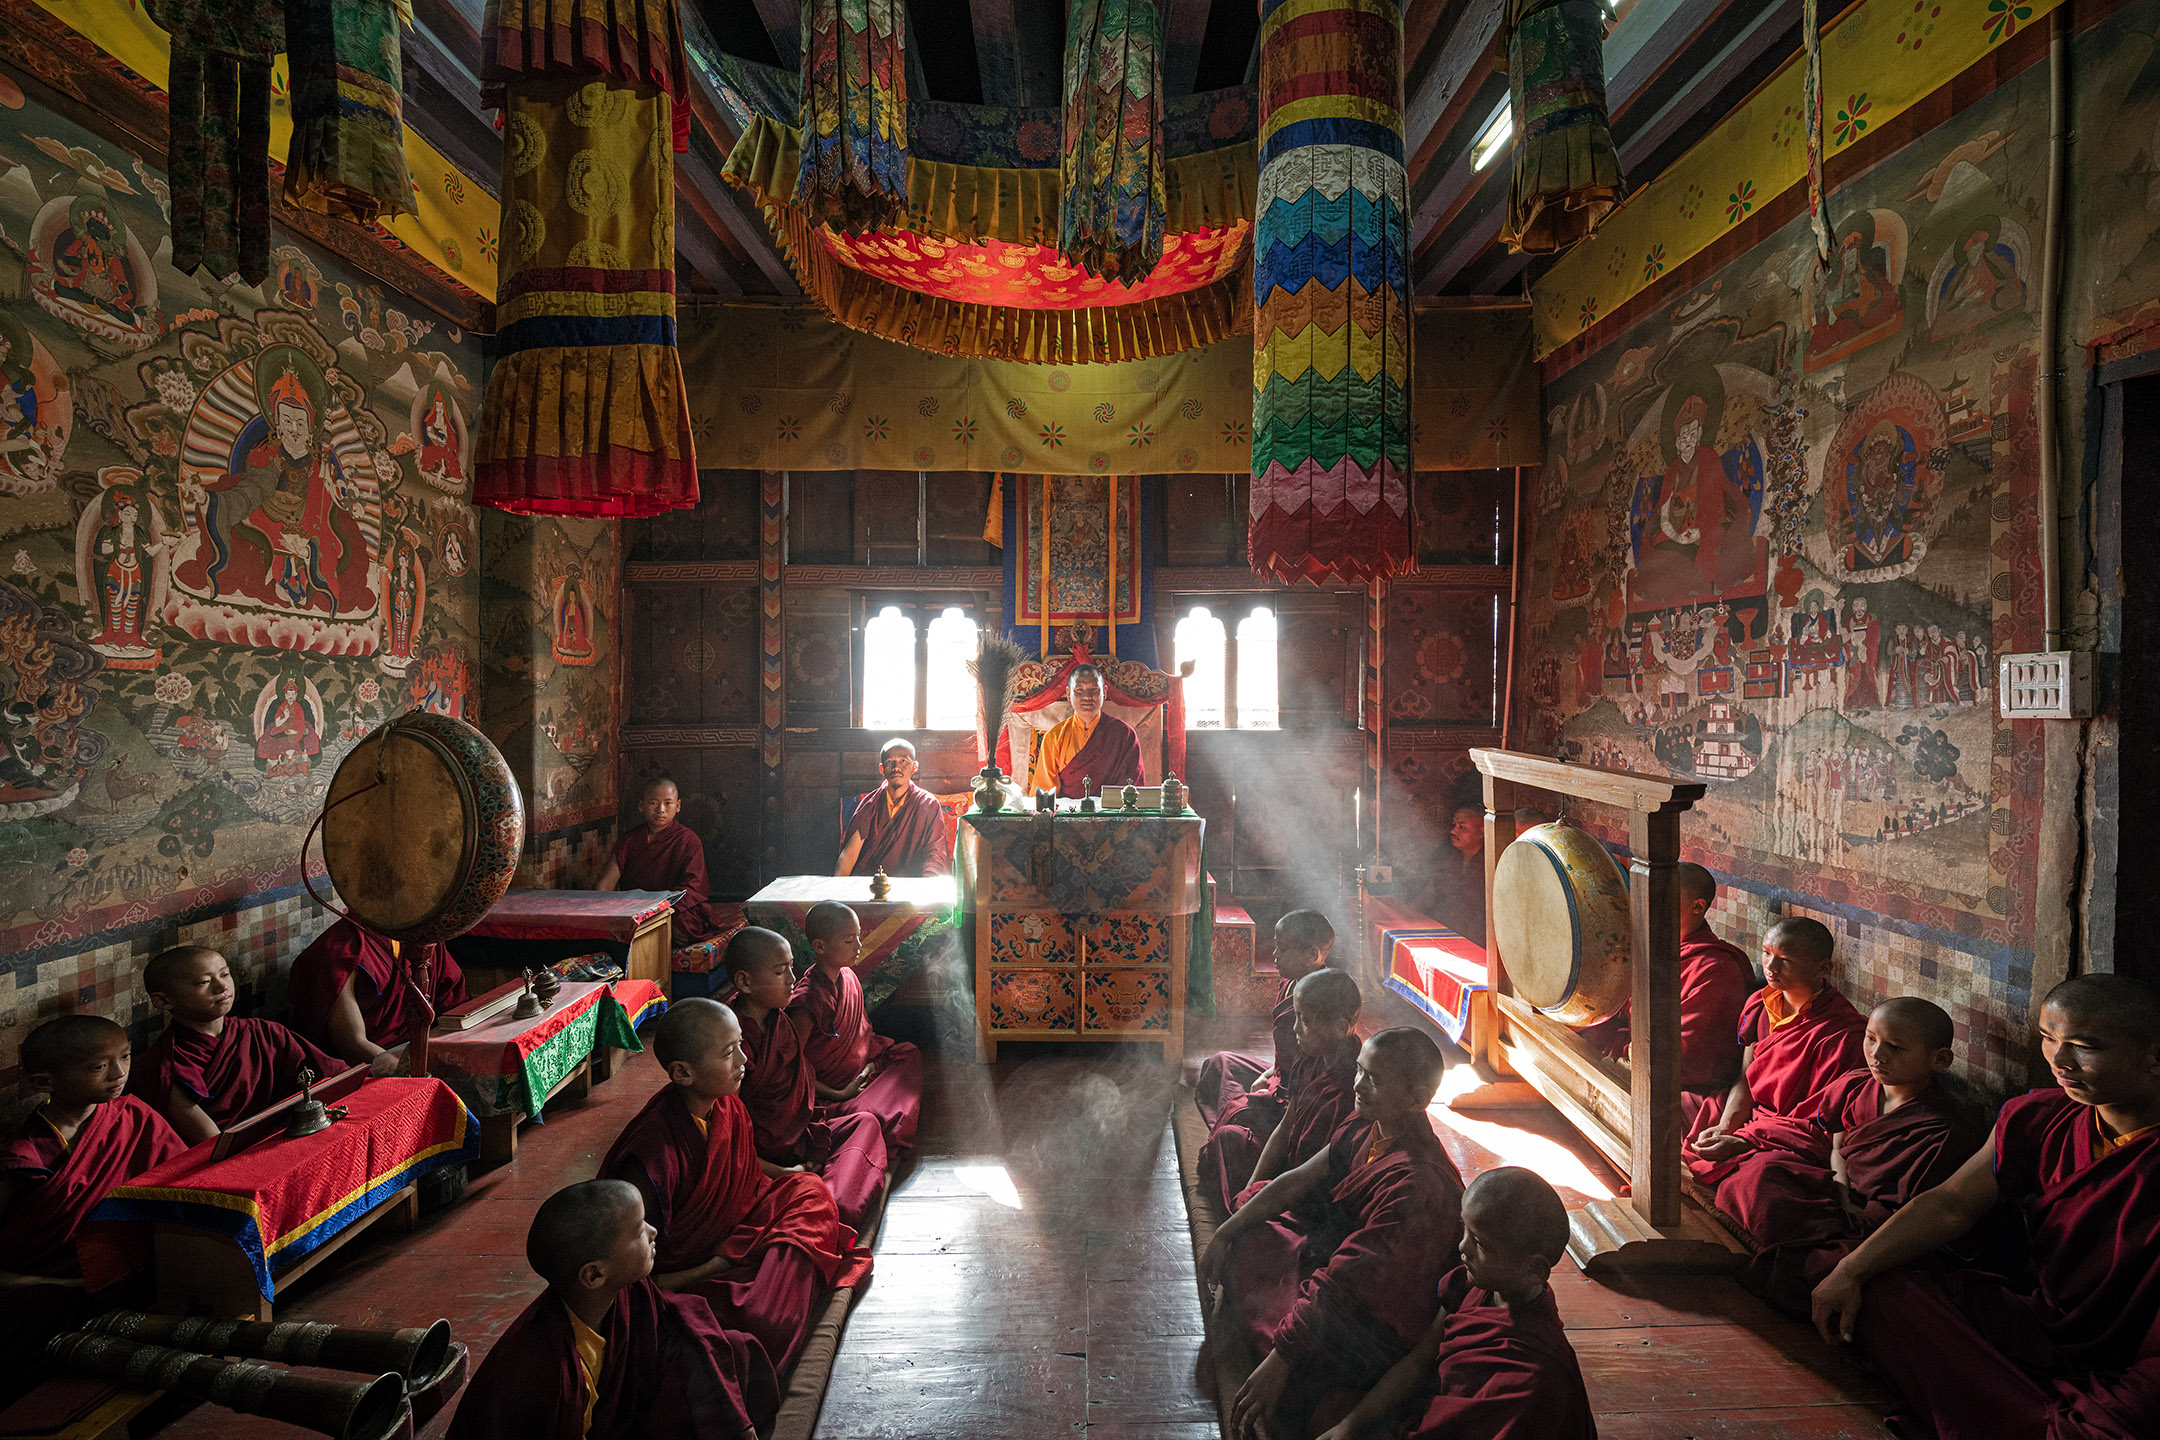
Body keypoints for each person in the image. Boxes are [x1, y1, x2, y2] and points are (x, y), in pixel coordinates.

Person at [1812, 974, 2160, 1440]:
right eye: (2048, 1039)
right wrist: (1851, 1272)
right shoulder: (2037, 1115)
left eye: (2085, 1046)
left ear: (2155, 1056)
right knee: (1880, 1289)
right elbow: (1953, 1202)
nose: (2059, 1061)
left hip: (2135, 1351)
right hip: (2037, 1322)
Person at [1200, 1028, 1465, 1440]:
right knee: (1248, 1230)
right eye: (1360, 1072)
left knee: (1297, 1382)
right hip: (1333, 1265)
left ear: (1416, 1099)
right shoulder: (1365, 1125)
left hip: (1372, 1318)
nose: (1357, 1086)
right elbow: (1299, 1179)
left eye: (1373, 1079)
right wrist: (1225, 1232)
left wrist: (1283, 1358)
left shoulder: (1417, 1184)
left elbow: (1351, 1284)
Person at [600, 999, 870, 1372]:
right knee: (763, 1320)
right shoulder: (651, 1153)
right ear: (682, 1072)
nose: (745, 1060)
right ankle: (734, 1278)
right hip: (685, 1267)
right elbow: (630, 1264)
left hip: (736, 1225)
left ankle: (742, 1268)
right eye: (730, 1053)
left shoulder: (726, 1105)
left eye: (742, 1045)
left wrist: (788, 1175)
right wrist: (709, 1267)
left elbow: (745, 1173)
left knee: (810, 1190)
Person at [1715, 996, 1984, 1317]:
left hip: (1882, 1224)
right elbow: (1837, 1140)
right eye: (1871, 1039)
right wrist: (1841, 1187)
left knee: (1840, 1268)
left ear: (1939, 1059)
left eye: (1894, 1048)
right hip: (1838, 1195)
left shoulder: (1943, 1126)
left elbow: (1923, 1209)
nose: (1877, 1055)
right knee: (1759, 1175)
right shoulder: (1857, 1084)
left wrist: (1852, 1212)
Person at [446, 1179, 774, 1440]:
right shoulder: (542, 1370)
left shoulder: (629, 1291)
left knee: (731, 1349)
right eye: (638, 1231)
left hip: (614, 1422)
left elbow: (681, 1325)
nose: (653, 1232)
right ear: (594, 1274)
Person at [1315, 1168, 1596, 1440]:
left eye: (1481, 1244)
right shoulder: (1466, 1286)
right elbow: (1418, 1361)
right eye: (1465, 1230)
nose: (1462, 1247)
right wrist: (1350, 1425)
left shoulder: (1533, 1378)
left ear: (1535, 1269)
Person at [0, 1014, 185, 1398]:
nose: (119, 1073)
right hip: (48, 1289)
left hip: (127, 1269)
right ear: (43, 1083)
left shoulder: (134, 1115)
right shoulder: (22, 1158)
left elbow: (182, 1185)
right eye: (99, 1066)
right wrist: (53, 1283)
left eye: (125, 1057)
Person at [723, 928, 888, 1228]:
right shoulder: (729, 1045)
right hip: (759, 1156)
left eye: (791, 968)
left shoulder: (779, 1020)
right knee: (827, 1200)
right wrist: (784, 1173)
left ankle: (826, 1200)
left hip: (797, 1137)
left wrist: (838, 1097)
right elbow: (728, 1140)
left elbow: (800, 1080)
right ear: (744, 982)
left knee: (867, 1122)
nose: (792, 980)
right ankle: (825, 1203)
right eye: (779, 972)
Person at [1684, 917, 1866, 1187]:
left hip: (1790, 1132)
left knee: (1759, 1179)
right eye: (1767, 953)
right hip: (1752, 1112)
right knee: (1671, 1110)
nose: (1770, 967)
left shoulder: (1843, 1034)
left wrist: (1746, 1140)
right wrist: (1726, 1126)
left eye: (1786, 960)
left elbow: (1822, 1123)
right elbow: (1745, 1079)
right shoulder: (1760, 1003)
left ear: (1823, 968)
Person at [1579, 863, 1754, 1114]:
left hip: (1677, 1078)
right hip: (1631, 1047)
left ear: (1698, 907)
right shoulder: (1651, 944)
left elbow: (1683, 1052)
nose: (1651, 909)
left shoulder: (1716, 969)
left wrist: (1625, 1055)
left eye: (1663, 901)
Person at [127, 945, 345, 1144]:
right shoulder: (165, 1065)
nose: (222, 987)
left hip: (293, 1136)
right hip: (235, 1158)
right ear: (164, 1001)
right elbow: (212, 1144)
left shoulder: (264, 1032)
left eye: (225, 974)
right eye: (204, 982)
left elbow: (336, 1077)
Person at [1195, 911, 1337, 1217]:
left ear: (1312, 954)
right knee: (1220, 1063)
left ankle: (1245, 1200)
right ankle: (1240, 1113)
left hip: (1290, 1105)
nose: (1274, 955)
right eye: (1275, 945)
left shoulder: (1323, 1001)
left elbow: (1304, 1093)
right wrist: (1270, 1073)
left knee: (1230, 1134)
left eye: (1283, 949)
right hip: (1281, 1080)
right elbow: (1287, 1059)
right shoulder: (1291, 985)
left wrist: (1269, 1087)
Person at [1218, 967, 1363, 1214]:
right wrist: (1251, 1187)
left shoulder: (1356, 1087)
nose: (1295, 1028)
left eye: (1304, 1020)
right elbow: (1286, 1127)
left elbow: (1323, 1175)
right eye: (1295, 1016)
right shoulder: (1309, 1059)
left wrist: (1258, 1198)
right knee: (1229, 1141)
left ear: (1340, 1028)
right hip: (1291, 1166)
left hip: (1316, 1190)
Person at [791, 902, 923, 1156]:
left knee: (908, 1053)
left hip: (861, 1075)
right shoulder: (807, 1000)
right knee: (867, 1117)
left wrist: (870, 1064)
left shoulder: (848, 976)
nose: (859, 946)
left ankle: (870, 1121)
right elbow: (793, 1068)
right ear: (820, 947)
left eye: (858, 936)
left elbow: (863, 1034)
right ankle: (866, 1121)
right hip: (829, 1091)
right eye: (849, 940)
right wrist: (840, 1093)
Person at [288, 918, 467, 1068]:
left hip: (423, 1056)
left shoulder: (423, 935)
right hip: (369, 1071)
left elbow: (453, 1011)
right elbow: (352, 1044)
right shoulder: (341, 950)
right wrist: (408, 1075)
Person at [599, 778, 725, 945]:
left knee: (683, 925)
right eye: (653, 803)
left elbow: (692, 888)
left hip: (672, 909)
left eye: (668, 803)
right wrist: (611, 917)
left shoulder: (688, 840)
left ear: (678, 806)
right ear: (641, 805)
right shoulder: (629, 840)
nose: (661, 810)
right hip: (636, 909)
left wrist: (662, 915)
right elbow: (604, 886)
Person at [836, 739, 952, 878]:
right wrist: (837, 888)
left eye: (903, 761)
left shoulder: (927, 804)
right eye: (889, 762)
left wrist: (926, 890)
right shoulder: (870, 803)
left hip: (912, 885)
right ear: (882, 769)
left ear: (914, 767)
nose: (896, 767)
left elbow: (934, 853)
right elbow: (849, 855)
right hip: (872, 884)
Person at [1024, 664, 1143, 796]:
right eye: (1079, 690)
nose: (1087, 696)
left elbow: (1133, 788)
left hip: (1112, 813)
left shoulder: (1124, 734)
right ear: (1069, 694)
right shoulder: (1055, 736)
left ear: (1104, 692)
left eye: (1094, 689)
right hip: (1069, 813)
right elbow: (1044, 793)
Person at [1417, 807, 1487, 943]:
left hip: (1477, 939)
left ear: (1482, 833)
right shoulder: (1450, 859)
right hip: (1445, 932)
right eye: (1454, 825)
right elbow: (1428, 895)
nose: (1453, 831)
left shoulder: (1490, 864)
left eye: (1462, 827)